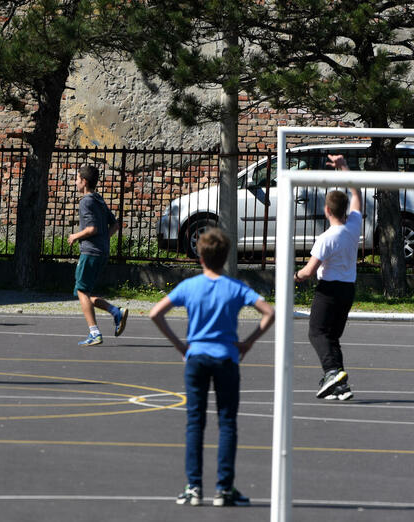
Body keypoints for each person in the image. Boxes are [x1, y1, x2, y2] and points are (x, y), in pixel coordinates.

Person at [150, 227, 274, 507]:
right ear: (226, 256)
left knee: (195, 422)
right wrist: (248, 342)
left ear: (201, 257)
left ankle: (194, 487)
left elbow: (155, 313)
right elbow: (269, 312)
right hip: (226, 358)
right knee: (227, 423)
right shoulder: (235, 287)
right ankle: (224, 488)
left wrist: (180, 345)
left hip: (196, 358)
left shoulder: (190, 286)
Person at [293, 154, 361, 401]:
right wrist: (344, 168)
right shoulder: (354, 225)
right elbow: (357, 196)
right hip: (348, 289)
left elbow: (309, 271)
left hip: (329, 290)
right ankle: (340, 384)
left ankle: (332, 372)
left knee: (317, 333)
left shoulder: (326, 239)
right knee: (332, 336)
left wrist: (296, 276)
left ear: (327, 210)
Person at [69, 165, 128, 346]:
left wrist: (75, 236)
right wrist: (104, 240)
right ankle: (115, 312)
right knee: (83, 292)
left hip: (90, 252)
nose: (75, 182)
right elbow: (116, 225)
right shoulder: (98, 199)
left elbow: (92, 228)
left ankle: (94, 332)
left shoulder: (86, 201)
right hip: (101, 251)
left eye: (77, 179)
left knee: (81, 292)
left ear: (84, 182)